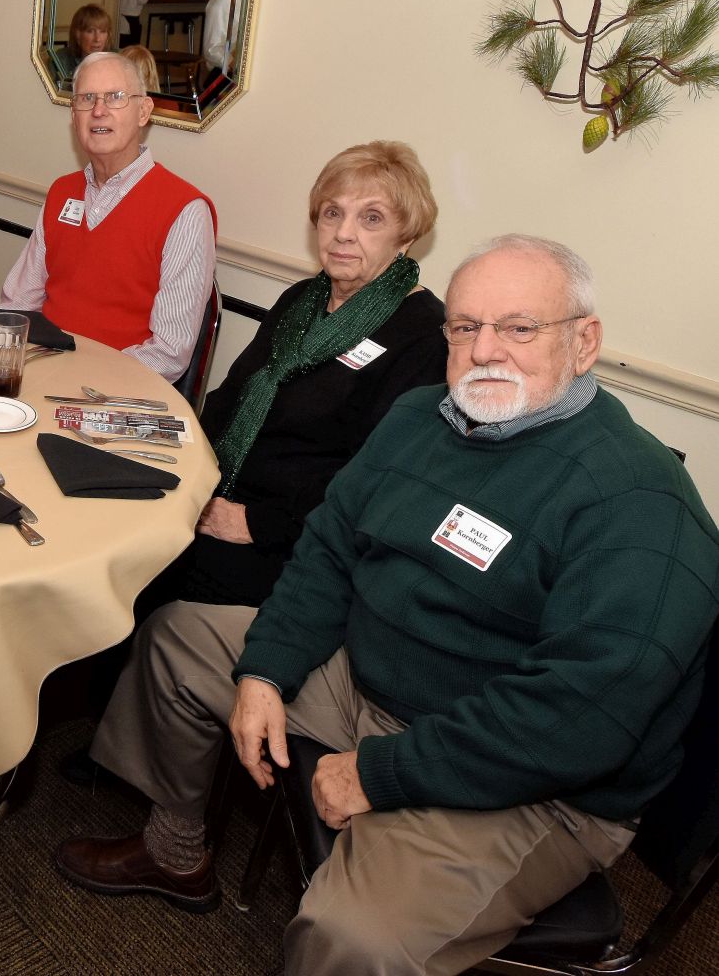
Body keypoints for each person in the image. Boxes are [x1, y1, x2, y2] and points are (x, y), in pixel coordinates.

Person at [57, 235, 719, 975]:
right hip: (367, 678)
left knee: (353, 940)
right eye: (465, 327)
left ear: (585, 341)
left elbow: (577, 720)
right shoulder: (418, 417)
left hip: (532, 779)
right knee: (180, 639)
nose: (484, 349)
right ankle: (176, 852)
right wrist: (267, 671)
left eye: (519, 327)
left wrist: (380, 774)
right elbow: (329, 553)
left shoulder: (638, 503)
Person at [139, 141, 447, 611]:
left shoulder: (423, 334)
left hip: (295, 542)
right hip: (217, 493)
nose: (344, 234)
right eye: (332, 213)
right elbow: (229, 400)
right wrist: (177, 473)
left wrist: (254, 524)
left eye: (371, 218)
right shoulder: (302, 298)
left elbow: (376, 482)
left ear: (406, 237)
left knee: (140, 584)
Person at [0, 51, 215, 384]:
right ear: (74, 116)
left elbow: (168, 354)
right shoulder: (61, 193)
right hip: (42, 377)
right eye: (86, 99)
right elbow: (17, 304)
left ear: (143, 112)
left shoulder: (185, 211)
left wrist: (80, 377)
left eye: (114, 98)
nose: (98, 111)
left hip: (117, 397)